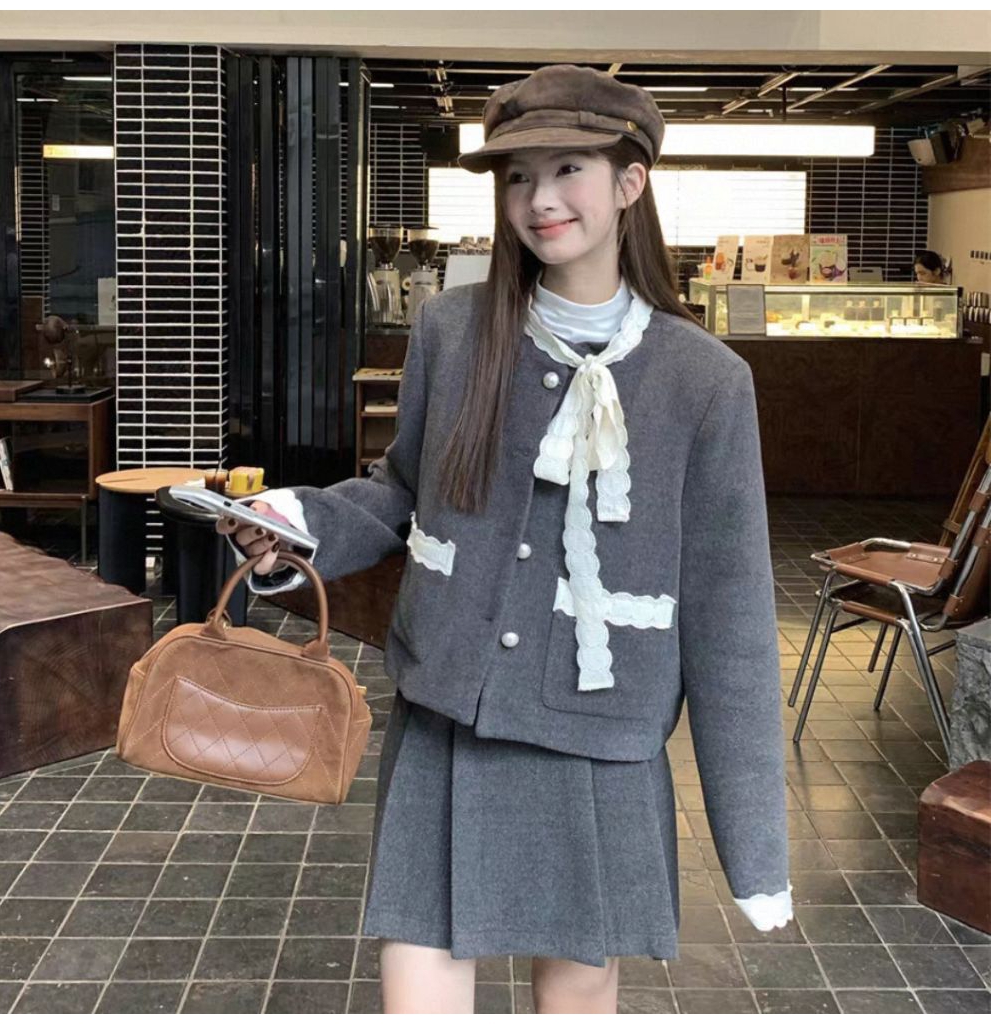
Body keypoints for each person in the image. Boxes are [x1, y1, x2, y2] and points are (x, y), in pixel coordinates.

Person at [219, 64, 792, 1014]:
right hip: (452, 714)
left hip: (600, 738)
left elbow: (731, 617)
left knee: (576, 999)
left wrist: (755, 848)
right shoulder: (453, 331)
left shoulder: (705, 381)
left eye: (568, 169)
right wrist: (297, 529)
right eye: (519, 177)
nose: (540, 199)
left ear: (631, 181)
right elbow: (402, 489)